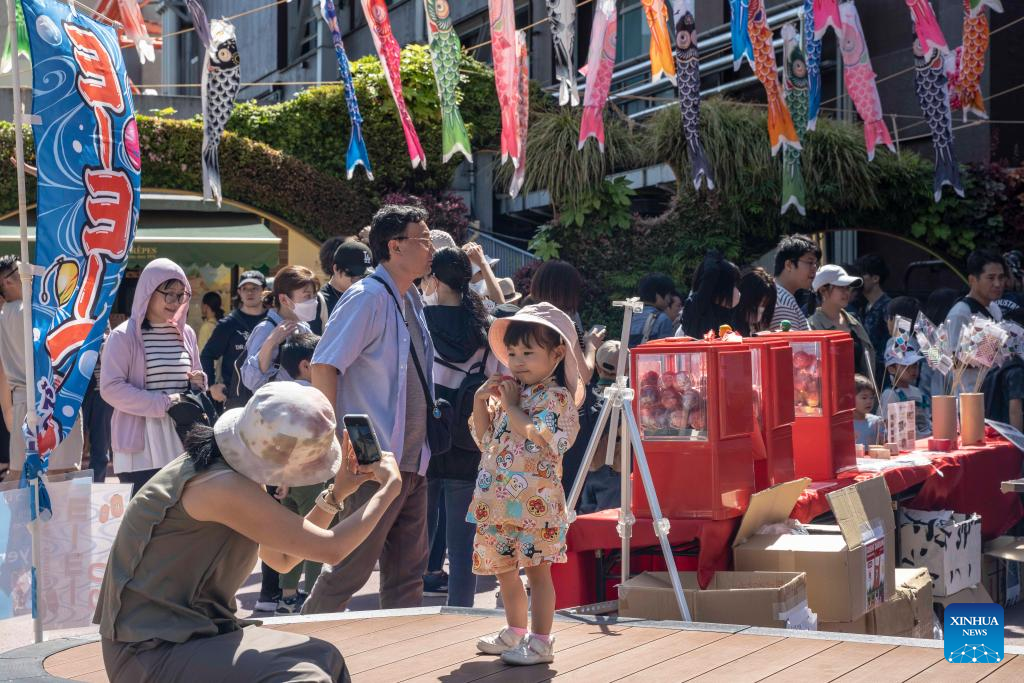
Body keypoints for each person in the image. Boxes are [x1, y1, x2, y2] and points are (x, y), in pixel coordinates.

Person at [94, 381, 402, 682]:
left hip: (192, 634)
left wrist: (336, 495)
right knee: (305, 675)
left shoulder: (228, 469)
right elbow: (331, 549)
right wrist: (388, 490)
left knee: (325, 657)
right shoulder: (221, 486)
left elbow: (281, 558)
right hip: (150, 652)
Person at [303, 205, 437, 614]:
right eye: (423, 239)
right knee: (349, 569)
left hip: (413, 460)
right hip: (372, 460)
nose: (431, 247)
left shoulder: (409, 297)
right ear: (395, 247)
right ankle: (298, 642)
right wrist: (345, 447)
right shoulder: (367, 296)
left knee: (407, 575)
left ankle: (400, 659)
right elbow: (324, 364)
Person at [470, 303, 583, 665]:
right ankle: (515, 632)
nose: (518, 361)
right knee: (504, 570)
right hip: (497, 500)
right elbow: (486, 441)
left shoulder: (557, 398)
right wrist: (480, 401)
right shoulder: (512, 394)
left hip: (537, 505)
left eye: (528, 353)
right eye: (513, 353)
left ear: (557, 354)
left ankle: (541, 640)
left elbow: (538, 436)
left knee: (537, 571)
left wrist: (514, 406)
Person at [423, 247, 503, 607]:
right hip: (467, 436)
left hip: (423, 434)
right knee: (462, 537)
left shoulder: (418, 322)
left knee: (414, 535)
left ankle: (401, 612)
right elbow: (496, 381)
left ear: (434, 280)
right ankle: (460, 609)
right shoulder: (484, 326)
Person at [100, 259, 206, 496]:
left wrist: (199, 381)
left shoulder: (186, 333)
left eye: (182, 295)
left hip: (182, 439)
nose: (176, 302)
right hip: (140, 449)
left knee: (181, 517)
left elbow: (194, 375)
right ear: (149, 290)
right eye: (169, 294)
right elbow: (110, 388)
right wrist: (164, 403)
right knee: (147, 520)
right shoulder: (123, 336)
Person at [0, 256, 84, 482]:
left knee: (18, 473)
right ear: (7, 282)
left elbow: (2, 373)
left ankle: (7, 519)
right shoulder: (34, 310)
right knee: (61, 473)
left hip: (22, 402)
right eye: (21, 272)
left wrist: (8, 410)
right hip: (52, 395)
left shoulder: (4, 314)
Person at [241, 266, 321, 392]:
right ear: (284, 299)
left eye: (314, 296)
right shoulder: (266, 329)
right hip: (273, 407)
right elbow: (250, 380)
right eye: (307, 296)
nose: (313, 301)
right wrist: (271, 343)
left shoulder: (303, 327)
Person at [201, 271, 268, 409]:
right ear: (239, 292)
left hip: (267, 396)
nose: (250, 293)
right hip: (235, 399)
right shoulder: (228, 324)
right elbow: (207, 355)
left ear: (264, 291)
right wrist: (212, 386)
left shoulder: (272, 321)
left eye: (254, 288)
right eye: (245, 289)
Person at [945, 250, 1005, 394]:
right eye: (990, 278)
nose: (998, 284)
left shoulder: (995, 308)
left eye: (1001, 277)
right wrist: (990, 350)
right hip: (969, 397)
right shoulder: (960, 313)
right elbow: (949, 360)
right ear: (972, 280)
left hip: (994, 393)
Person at [808, 265, 876, 382]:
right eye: (841, 287)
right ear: (823, 290)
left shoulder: (854, 322)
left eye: (848, 288)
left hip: (860, 397)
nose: (847, 292)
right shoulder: (811, 326)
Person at [580, 340, 623, 514]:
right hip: (615, 472)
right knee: (607, 523)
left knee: (584, 519)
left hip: (585, 468)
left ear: (597, 367)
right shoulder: (626, 401)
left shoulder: (584, 397)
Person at [680, 251, 741, 339]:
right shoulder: (697, 304)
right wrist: (712, 257)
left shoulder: (725, 311)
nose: (736, 290)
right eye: (732, 285)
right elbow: (711, 272)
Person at [850, 254, 892, 378]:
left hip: (883, 375)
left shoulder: (887, 307)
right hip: (867, 372)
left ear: (875, 278)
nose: (858, 280)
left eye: (862, 275)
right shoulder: (863, 307)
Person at [880, 339, 932, 438]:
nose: (913, 370)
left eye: (915, 365)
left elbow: (926, 420)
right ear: (891, 369)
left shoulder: (918, 392)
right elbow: (887, 427)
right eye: (906, 366)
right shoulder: (890, 394)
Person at [82, 325, 113, 482]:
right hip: (79, 393)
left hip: (103, 395)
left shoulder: (103, 311)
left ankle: (96, 487)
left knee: (101, 448)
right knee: (74, 447)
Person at [769, 234, 820, 331]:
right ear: (789, 265)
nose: (814, 268)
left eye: (816, 263)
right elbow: (790, 345)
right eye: (810, 262)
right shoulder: (783, 303)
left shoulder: (780, 296)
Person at [318, 239, 374, 322]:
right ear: (336, 269)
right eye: (354, 274)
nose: (359, 280)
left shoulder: (366, 298)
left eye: (365, 275)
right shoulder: (319, 301)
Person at [629, 272, 676, 347]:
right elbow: (666, 350)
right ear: (657, 295)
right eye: (668, 294)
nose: (670, 299)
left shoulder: (631, 316)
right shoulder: (663, 319)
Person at [732, 267, 777, 336]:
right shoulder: (730, 329)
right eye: (755, 305)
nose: (760, 309)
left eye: (765, 305)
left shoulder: (756, 327)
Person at [853, 374, 885, 447]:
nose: (869, 401)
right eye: (864, 398)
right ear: (850, 398)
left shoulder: (877, 421)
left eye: (871, 397)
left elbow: (884, 444)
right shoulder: (843, 424)